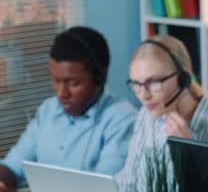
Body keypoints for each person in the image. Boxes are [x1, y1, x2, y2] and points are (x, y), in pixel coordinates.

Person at [0, 26, 136, 192]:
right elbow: (13, 167)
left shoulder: (122, 120)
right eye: (56, 81)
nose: (61, 93)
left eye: (73, 83)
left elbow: (104, 189)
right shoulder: (48, 110)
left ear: (101, 77)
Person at [115, 35, 208, 191]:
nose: (144, 95)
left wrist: (189, 155)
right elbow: (128, 182)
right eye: (136, 84)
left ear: (184, 78)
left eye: (154, 82)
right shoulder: (146, 116)